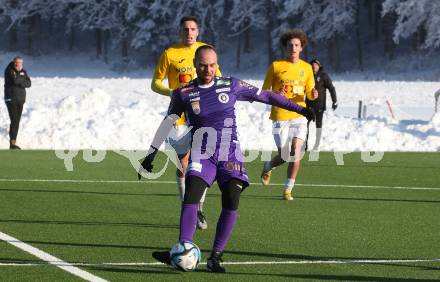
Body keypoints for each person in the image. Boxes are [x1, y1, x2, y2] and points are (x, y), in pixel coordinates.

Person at [138, 45, 314, 273]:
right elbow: (167, 122)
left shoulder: (231, 84)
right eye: (203, 65)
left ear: (216, 64)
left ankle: (216, 257)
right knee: (192, 192)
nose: (208, 69)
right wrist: (150, 154)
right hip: (203, 153)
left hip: (230, 154)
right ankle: (182, 247)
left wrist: (299, 109)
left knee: (231, 198)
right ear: (195, 64)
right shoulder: (183, 93)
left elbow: (267, 95)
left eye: (212, 65)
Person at [151, 16, 221, 230]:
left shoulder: (205, 52)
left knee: (204, 164)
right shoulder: (170, 54)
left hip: (203, 118)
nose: (189, 33)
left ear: (198, 31)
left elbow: (218, 80)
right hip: (180, 118)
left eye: (193, 29)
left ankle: (198, 208)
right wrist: (172, 93)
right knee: (184, 164)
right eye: (185, 29)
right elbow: (155, 83)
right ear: (180, 32)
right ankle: (187, 205)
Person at [260, 29, 318, 201]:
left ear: (301, 48)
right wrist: (277, 92)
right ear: (285, 47)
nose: (293, 48)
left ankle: (287, 190)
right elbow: (264, 92)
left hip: (299, 115)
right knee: (285, 155)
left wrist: (313, 95)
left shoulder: (307, 68)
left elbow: (309, 92)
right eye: (290, 45)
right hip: (280, 116)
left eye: (297, 45)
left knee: (296, 152)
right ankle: (269, 165)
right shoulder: (276, 66)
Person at [305, 58, 337, 150]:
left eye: (316, 65)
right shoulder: (307, 75)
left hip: (320, 106)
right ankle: (305, 145)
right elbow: (302, 89)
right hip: (308, 106)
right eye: (312, 65)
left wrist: (334, 101)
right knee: (305, 126)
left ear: (319, 66)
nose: (314, 66)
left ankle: (316, 145)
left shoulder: (324, 76)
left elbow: (331, 88)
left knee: (318, 126)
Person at [4, 56, 31, 150]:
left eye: (20, 63)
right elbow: (15, 81)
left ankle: (13, 142)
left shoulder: (23, 71)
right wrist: (22, 78)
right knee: (14, 120)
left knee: (17, 122)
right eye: (16, 62)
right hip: (11, 99)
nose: (18, 64)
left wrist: (21, 80)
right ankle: (12, 143)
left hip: (20, 99)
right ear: (13, 62)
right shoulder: (9, 70)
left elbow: (29, 83)